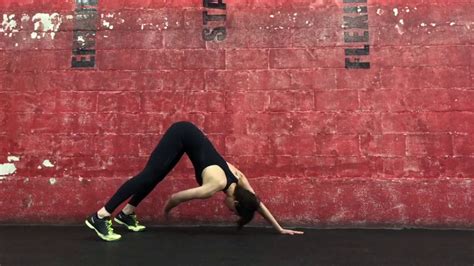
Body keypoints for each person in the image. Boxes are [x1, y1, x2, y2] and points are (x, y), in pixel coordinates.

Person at [85, 121, 304, 241]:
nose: (226, 209)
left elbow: (257, 203)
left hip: (186, 139)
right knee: (149, 175)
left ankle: (126, 214)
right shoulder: (215, 186)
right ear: (235, 203)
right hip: (181, 133)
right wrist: (168, 210)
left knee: (157, 175)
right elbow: (175, 197)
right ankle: (101, 216)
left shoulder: (239, 179)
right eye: (232, 211)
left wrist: (279, 228)